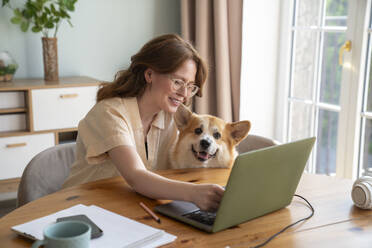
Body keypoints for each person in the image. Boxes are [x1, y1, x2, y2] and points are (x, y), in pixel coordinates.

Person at [62, 34, 224, 211]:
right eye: (178, 82)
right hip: (81, 210)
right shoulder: (110, 112)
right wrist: (194, 193)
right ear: (149, 74)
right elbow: (136, 176)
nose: (184, 94)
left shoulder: (168, 116)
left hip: (129, 207)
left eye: (190, 86)